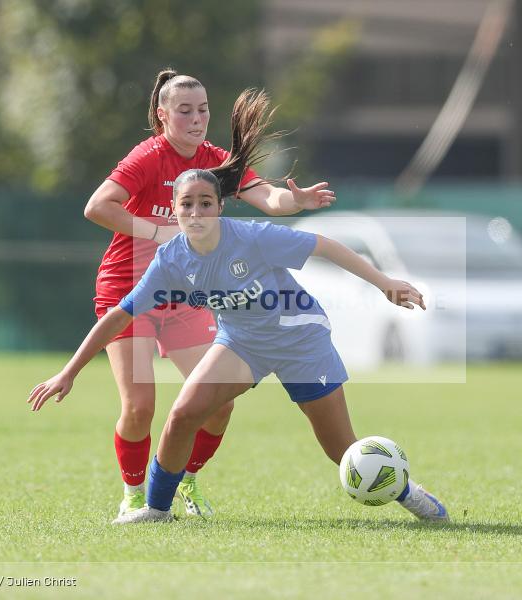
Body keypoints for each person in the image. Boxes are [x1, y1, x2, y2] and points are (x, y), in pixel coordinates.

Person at [30, 168, 449, 523]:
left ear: (220, 207)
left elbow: (326, 246)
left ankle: (410, 494)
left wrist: (385, 284)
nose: (196, 212)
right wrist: (70, 371)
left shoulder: (251, 237)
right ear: (173, 210)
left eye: (206, 203)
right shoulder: (170, 258)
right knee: (182, 414)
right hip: (242, 343)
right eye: (187, 204)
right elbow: (120, 315)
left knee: (341, 449)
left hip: (300, 340)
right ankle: (156, 512)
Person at [82, 69, 335, 522]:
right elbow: (97, 206)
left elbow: (269, 199)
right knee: (140, 407)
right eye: (184, 111)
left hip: (189, 295)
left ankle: (185, 481)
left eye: (203, 110)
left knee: (218, 407)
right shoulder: (146, 157)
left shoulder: (216, 160)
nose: (196, 119)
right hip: (130, 287)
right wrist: (159, 231)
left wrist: (295, 203)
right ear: (162, 116)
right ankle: (134, 496)